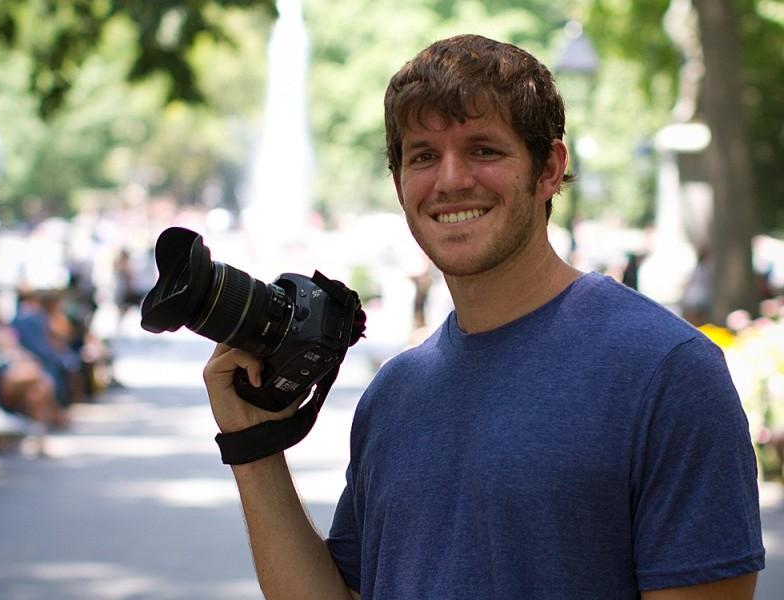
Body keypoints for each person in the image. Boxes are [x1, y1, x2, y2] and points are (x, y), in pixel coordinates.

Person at [203, 35, 764, 599]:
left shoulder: (667, 372)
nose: (451, 180)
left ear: (549, 169)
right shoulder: (394, 395)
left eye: (484, 150)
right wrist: (254, 450)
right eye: (423, 155)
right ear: (399, 184)